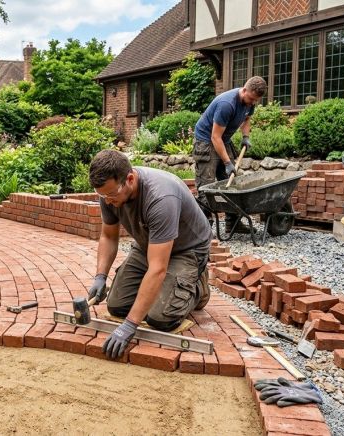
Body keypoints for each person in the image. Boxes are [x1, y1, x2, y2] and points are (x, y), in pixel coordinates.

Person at [87, 149, 212, 359]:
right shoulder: (109, 192)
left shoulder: (161, 198)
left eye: (111, 195)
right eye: (102, 195)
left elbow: (157, 268)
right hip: (148, 244)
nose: (107, 201)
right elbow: (108, 236)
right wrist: (100, 276)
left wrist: (130, 325)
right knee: (116, 306)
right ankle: (162, 290)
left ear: (129, 179)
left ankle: (198, 285)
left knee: (161, 318)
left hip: (186, 250)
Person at [192, 76, 267, 233]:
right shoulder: (226, 104)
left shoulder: (249, 101)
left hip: (223, 139)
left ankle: (233, 224)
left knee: (231, 183)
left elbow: (247, 119)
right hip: (206, 141)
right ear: (244, 90)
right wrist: (227, 163)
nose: (252, 103)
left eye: (255, 101)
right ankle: (202, 228)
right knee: (206, 186)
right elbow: (215, 137)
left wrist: (245, 137)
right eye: (251, 99)